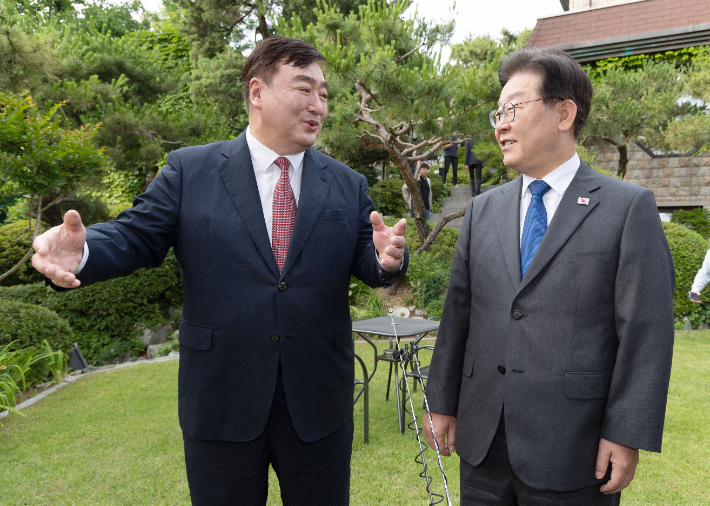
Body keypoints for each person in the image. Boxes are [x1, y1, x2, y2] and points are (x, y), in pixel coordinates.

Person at [31, 36, 408, 506]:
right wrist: (83, 252)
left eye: (325, 94)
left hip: (318, 403)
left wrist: (387, 259)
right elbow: (136, 236)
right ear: (256, 92)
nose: (319, 105)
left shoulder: (346, 184)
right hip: (220, 399)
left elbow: (369, 259)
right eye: (304, 89)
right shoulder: (191, 171)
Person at [424, 47, 674, 505]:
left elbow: (645, 331)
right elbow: (458, 313)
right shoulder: (483, 210)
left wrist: (626, 432)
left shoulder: (626, 208)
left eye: (513, 108)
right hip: (483, 440)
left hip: (572, 446)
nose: (500, 124)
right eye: (497, 112)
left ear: (564, 113)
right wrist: (441, 401)